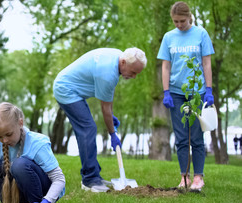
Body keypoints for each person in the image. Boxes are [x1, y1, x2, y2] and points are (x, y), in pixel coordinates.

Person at [53, 47, 147, 192]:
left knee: (88, 128)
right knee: (87, 128)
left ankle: (94, 174)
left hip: (72, 88)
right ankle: (90, 179)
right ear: (123, 62)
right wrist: (112, 134)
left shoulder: (118, 56)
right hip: (65, 89)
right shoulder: (107, 74)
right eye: (133, 72)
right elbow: (105, 108)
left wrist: (111, 114)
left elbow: (109, 99)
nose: (134, 76)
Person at [158, 1, 214, 191]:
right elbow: (166, 66)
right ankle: (184, 177)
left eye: (182, 21)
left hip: (197, 93)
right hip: (176, 93)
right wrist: (166, 91)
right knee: (181, 137)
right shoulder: (168, 37)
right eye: (175, 22)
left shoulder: (201, 34)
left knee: (197, 136)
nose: (179, 25)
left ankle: (198, 177)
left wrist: (208, 89)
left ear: (189, 16)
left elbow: (206, 63)